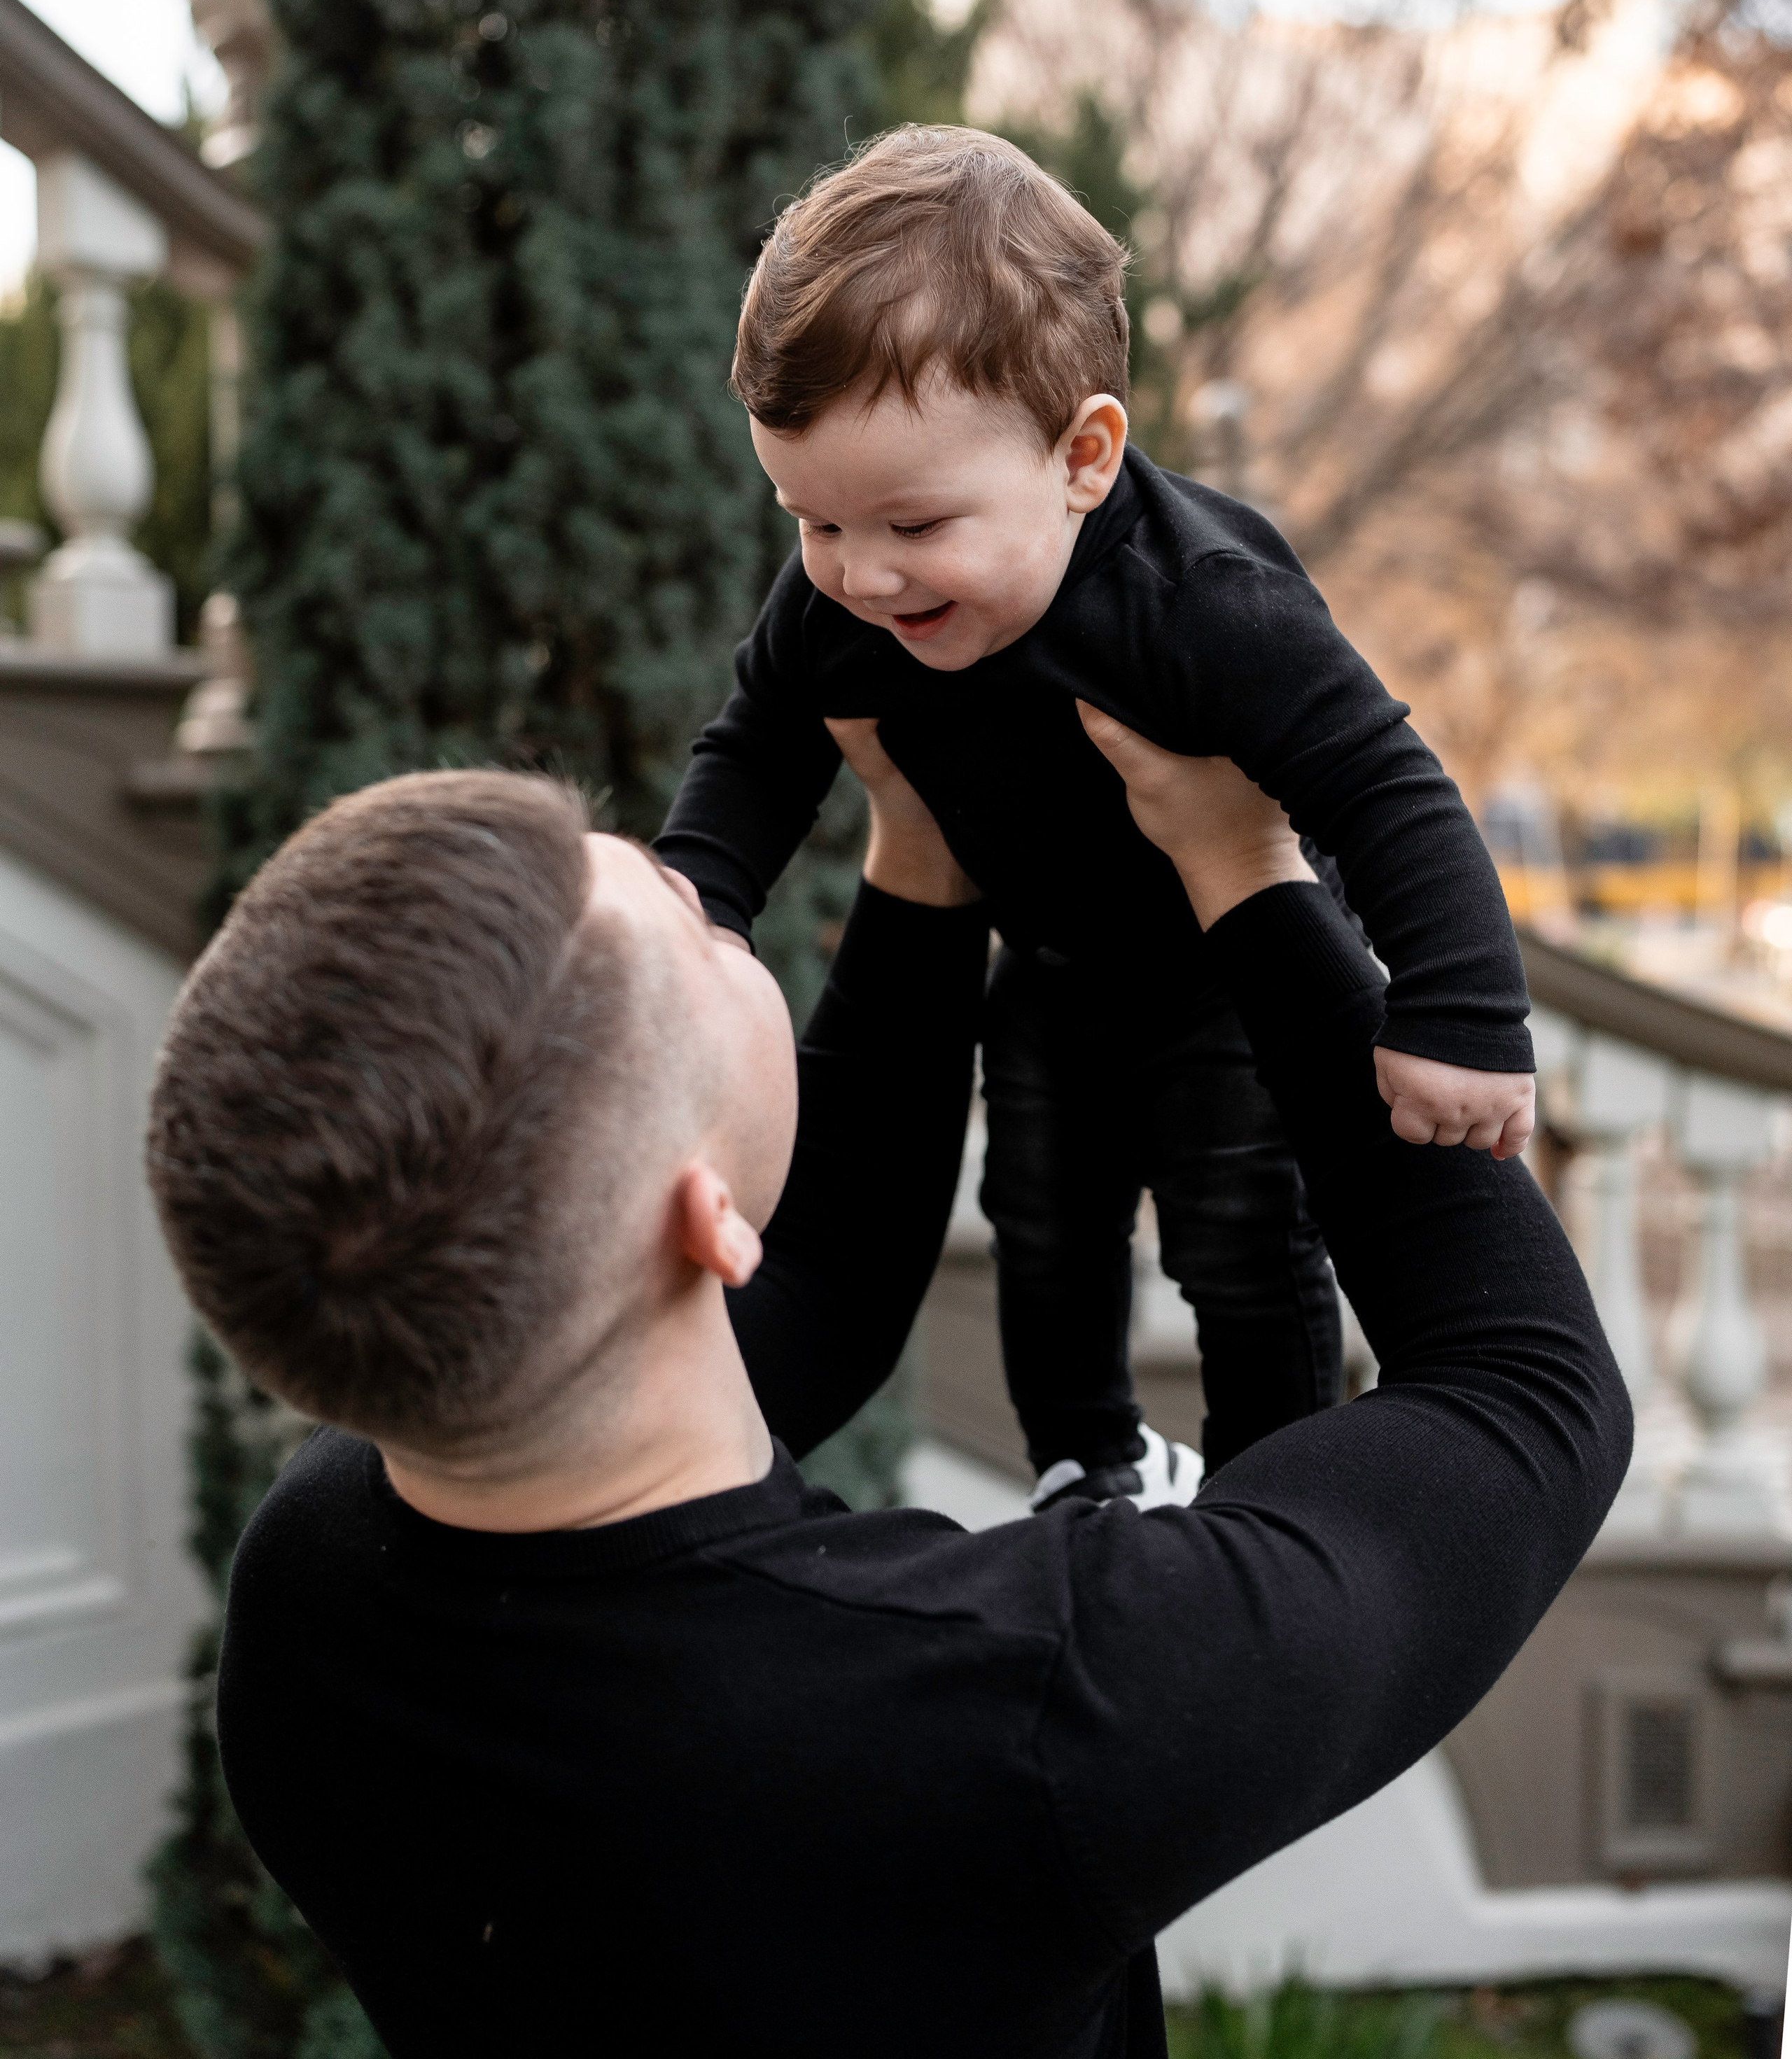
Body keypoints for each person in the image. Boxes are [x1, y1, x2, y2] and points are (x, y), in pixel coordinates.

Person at [145, 719, 1628, 2059]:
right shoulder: (1021, 1710)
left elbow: (809, 1305)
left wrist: (916, 855)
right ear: (703, 1221)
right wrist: (1248, 871)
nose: (728, 917)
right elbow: (1526, 1396)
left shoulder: (315, 1589)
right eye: (703, 928)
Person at [654, 125, 1539, 1507]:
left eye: (911, 524)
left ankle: (1267, 1480)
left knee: (1242, 1234)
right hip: (1052, 968)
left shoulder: (1202, 602)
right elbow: (756, 749)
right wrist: (691, 901)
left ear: (1081, 455)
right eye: (812, 522)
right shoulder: (837, 596)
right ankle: (1086, 1457)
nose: (861, 576)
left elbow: (1384, 783)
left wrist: (1463, 1012)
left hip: (1224, 976)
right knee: (1041, 1222)